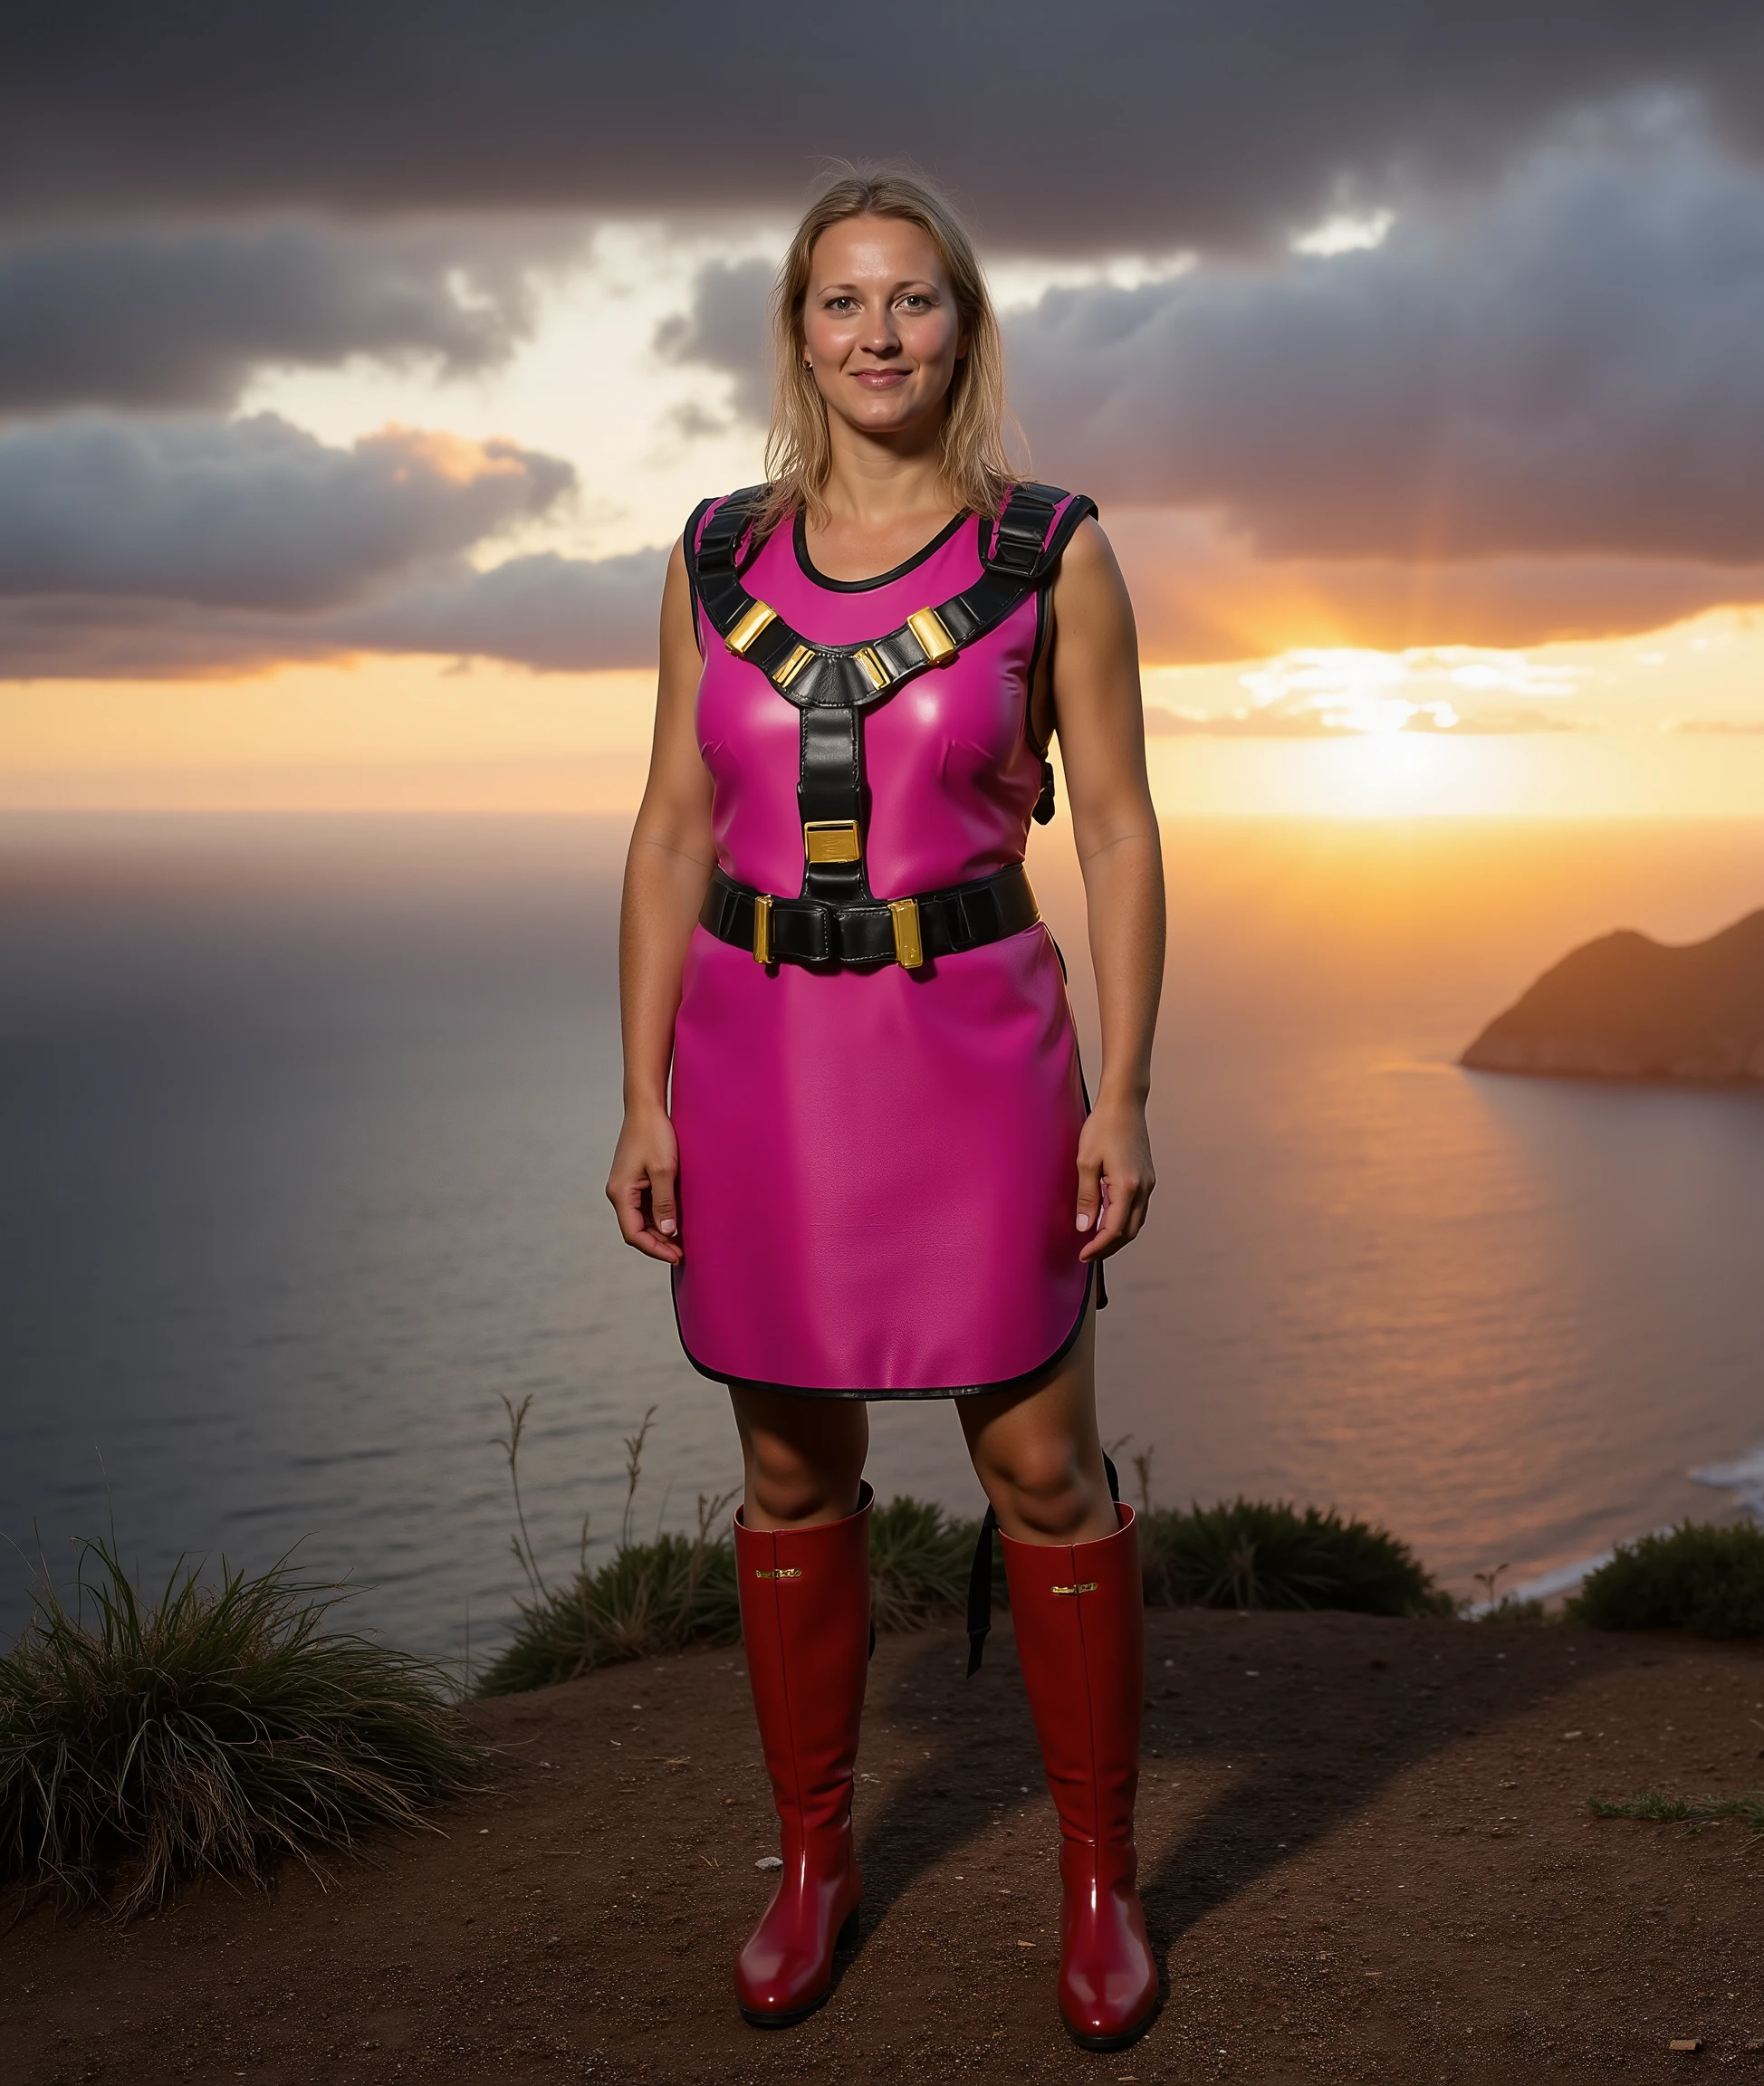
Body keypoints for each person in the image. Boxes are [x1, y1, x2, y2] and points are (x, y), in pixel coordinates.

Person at [605, 167, 1166, 2052]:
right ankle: (813, 1864)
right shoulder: (706, 555)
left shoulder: (1056, 551)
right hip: (758, 1064)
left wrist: (1132, 1096)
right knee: (787, 1470)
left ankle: (1100, 1886)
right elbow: (674, 826)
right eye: (842, 302)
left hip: (980, 1054)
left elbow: (1128, 835)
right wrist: (640, 1096)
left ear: (964, 324)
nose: (877, 334)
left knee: (1038, 1470)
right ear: (797, 330)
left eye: (912, 301)